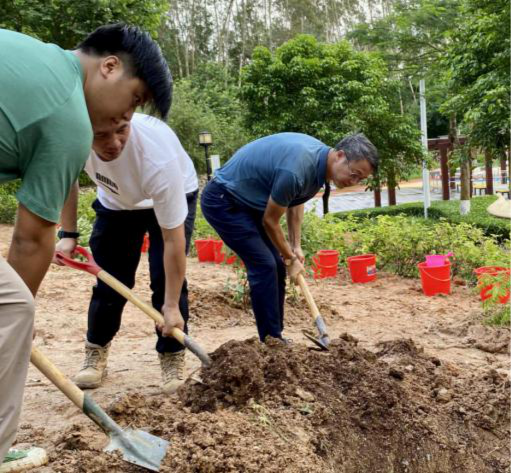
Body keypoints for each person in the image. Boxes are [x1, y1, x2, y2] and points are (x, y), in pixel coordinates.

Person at [0, 24, 172, 467]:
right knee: (13, 307)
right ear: (109, 67)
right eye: (133, 100)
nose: (124, 117)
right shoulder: (69, 116)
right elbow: (30, 239)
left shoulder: (34, 55)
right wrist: (14, 323)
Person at [56, 113, 199, 395]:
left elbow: (173, 241)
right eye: (101, 135)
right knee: (110, 281)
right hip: (116, 203)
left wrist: (170, 306)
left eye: (122, 130)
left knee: (166, 281)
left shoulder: (158, 160)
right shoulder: (71, 137)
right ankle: (96, 350)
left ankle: (172, 354)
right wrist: (68, 234)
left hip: (172, 194)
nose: (114, 143)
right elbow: (67, 179)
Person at [201, 132, 379, 342]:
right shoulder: (297, 169)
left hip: (249, 203)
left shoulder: (319, 164)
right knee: (265, 265)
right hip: (225, 200)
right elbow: (270, 221)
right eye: (354, 174)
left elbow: (296, 201)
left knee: (276, 265)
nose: (354, 181)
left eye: (361, 179)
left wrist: (295, 247)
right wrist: (290, 258)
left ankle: (275, 337)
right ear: (340, 155)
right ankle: (271, 340)